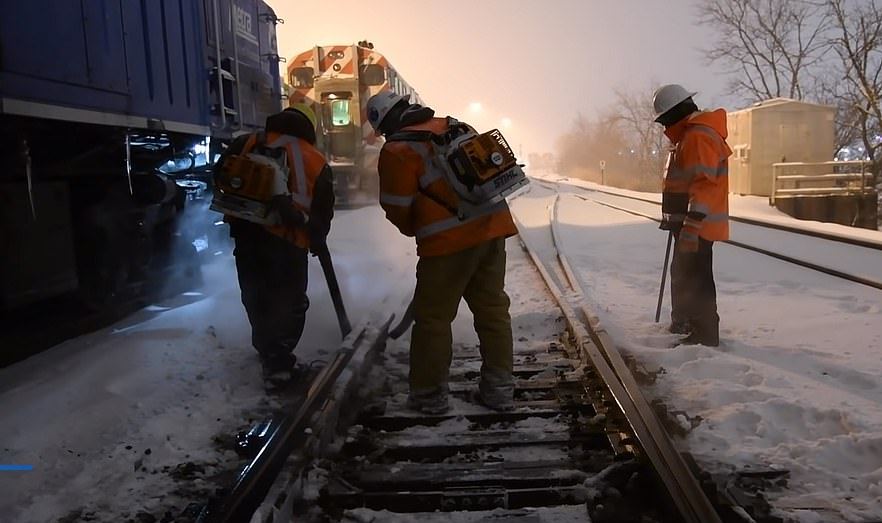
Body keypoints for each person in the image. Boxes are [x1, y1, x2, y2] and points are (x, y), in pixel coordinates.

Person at [366, 91, 518, 414]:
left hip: (447, 245)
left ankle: (429, 396)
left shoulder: (397, 150)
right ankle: (500, 390)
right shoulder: (455, 126)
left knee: (433, 319)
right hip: (493, 230)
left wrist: (421, 228)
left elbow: (397, 207)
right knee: (492, 311)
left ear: (386, 124)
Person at [215, 105, 335, 379]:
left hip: (246, 236)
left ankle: (267, 349)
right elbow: (323, 208)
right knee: (289, 301)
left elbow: (219, 173)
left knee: (255, 295)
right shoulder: (313, 158)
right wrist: (317, 238)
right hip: (287, 242)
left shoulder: (246, 142)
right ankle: (278, 360)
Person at [652, 84, 731, 347]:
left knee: (697, 279)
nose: (664, 127)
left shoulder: (697, 136)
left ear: (673, 114)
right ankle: (685, 322)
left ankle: (705, 333)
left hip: (697, 225)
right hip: (688, 223)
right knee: (685, 274)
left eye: (664, 120)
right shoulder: (689, 135)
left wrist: (691, 225)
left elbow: (704, 184)